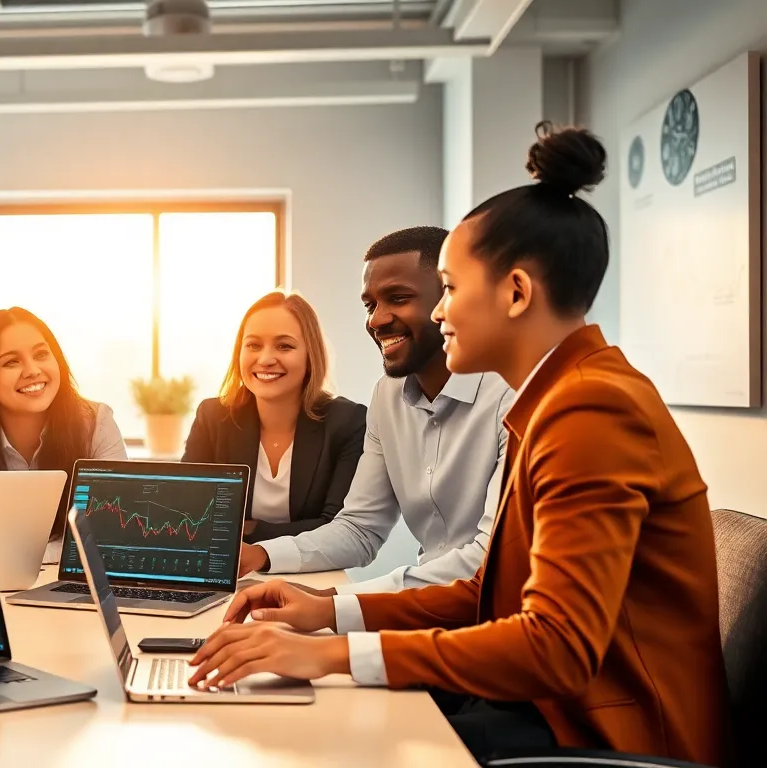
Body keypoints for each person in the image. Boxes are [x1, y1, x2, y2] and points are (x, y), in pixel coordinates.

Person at [187, 123, 727, 765]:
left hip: (604, 733)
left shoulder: (591, 408)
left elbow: (555, 644)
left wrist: (335, 647)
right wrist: (330, 616)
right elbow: (493, 591)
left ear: (516, 293)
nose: (440, 313)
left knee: (340, 743)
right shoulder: (561, 396)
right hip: (553, 706)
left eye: (450, 289)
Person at [238, 227, 513, 595]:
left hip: (494, 615)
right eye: (370, 305)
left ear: (449, 299)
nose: (376, 320)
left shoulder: (510, 396)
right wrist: (261, 555)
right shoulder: (387, 396)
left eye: (398, 298)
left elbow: (488, 559)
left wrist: (338, 601)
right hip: (429, 614)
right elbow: (360, 529)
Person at [0, 307, 128, 541]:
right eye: (11, 362)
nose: (32, 371)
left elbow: (115, 532)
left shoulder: (97, 422)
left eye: (40, 355)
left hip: (72, 576)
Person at [182, 292, 366, 544]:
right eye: (253, 345)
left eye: (285, 346)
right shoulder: (213, 417)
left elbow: (336, 527)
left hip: (313, 572)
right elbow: (187, 514)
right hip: (230, 572)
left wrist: (249, 530)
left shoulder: (347, 422)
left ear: (310, 356)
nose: (266, 359)